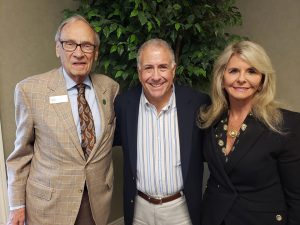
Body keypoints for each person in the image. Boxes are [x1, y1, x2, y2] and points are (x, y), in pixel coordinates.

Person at [6, 15, 119, 225]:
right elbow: (20, 155)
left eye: (86, 45)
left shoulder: (109, 88)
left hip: (95, 205)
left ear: (95, 52)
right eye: (69, 44)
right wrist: (16, 205)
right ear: (57, 48)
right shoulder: (31, 91)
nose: (78, 53)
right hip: (48, 208)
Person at [198, 40, 300, 225]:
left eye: (251, 71)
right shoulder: (209, 119)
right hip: (214, 217)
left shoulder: (286, 124)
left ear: (262, 80)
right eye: (234, 71)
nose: (241, 79)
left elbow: (296, 196)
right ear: (222, 77)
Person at [114, 38, 210, 225]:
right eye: (149, 68)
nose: (156, 76)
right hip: (139, 210)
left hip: (181, 210)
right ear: (139, 72)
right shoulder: (124, 105)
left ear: (174, 70)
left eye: (163, 67)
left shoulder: (197, 104)